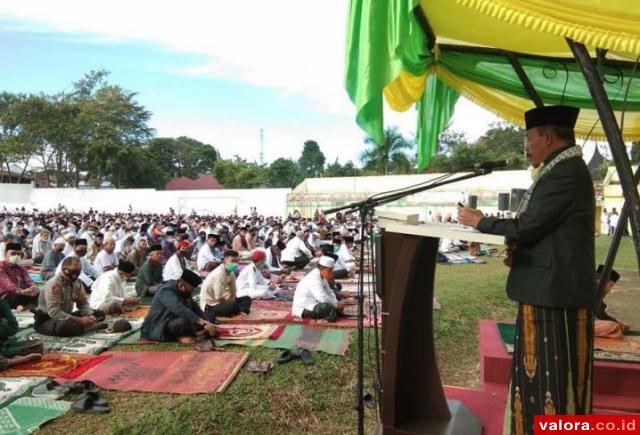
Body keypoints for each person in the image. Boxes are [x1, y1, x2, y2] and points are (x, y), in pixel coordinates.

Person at [458, 105, 595, 433]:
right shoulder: (559, 169)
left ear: (547, 137)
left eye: (529, 138)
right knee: (542, 376)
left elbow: (530, 226)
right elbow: (545, 230)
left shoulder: (566, 173)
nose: (526, 146)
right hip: (549, 289)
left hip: (555, 294)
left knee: (552, 377)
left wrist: (481, 221)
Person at [34, 257, 107, 337]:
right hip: (49, 319)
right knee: (64, 326)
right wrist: (80, 320)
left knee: (99, 314)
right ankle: (87, 328)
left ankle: (85, 324)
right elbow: (54, 312)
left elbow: (82, 302)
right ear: (64, 269)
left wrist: (89, 314)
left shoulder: (77, 282)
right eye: (74, 270)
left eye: (78, 270)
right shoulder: (54, 285)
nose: (76, 273)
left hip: (67, 315)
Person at [141, 270, 216, 344]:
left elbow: (195, 307)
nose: (191, 293)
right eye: (191, 290)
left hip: (173, 320)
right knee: (182, 322)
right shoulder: (166, 290)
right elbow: (179, 308)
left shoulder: (184, 291)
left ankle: (194, 333)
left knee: (209, 317)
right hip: (159, 326)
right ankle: (184, 336)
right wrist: (203, 323)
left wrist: (207, 322)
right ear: (182, 285)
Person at [200, 250, 252, 318]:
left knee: (246, 298)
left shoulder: (231, 272)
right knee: (233, 306)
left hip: (221, 301)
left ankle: (241, 311)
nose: (235, 264)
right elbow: (218, 298)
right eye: (232, 261)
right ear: (225, 261)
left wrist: (233, 301)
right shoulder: (219, 274)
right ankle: (239, 311)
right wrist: (231, 304)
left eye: (237, 261)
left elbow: (233, 291)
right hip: (210, 306)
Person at [292, 256, 343, 321]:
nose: (331, 273)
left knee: (334, 304)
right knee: (326, 307)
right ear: (321, 269)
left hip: (315, 303)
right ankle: (332, 315)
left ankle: (334, 313)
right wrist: (335, 305)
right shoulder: (313, 278)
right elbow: (322, 297)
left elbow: (329, 292)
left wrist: (336, 303)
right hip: (304, 308)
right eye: (329, 271)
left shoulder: (321, 276)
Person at [0, 297, 43, 369]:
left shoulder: (1, 303)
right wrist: (3, 324)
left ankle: (7, 357)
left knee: (37, 345)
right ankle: (15, 361)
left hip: (4, 345)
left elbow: (13, 327)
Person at [0, 243, 39, 310]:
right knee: (15, 294)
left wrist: (33, 287)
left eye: (18, 254)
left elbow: (28, 280)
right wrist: (21, 291)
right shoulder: (1, 267)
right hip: (5, 296)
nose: (16, 256)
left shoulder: (21, 269)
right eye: (13, 253)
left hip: (20, 293)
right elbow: (7, 284)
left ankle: (23, 307)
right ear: (5, 254)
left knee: (36, 291)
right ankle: (22, 307)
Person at [593, 265, 628, 338]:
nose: (609, 291)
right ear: (604, 282)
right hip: (578, 325)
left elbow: (601, 314)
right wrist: (617, 323)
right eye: (611, 286)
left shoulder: (594, 288)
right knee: (613, 327)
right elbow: (601, 315)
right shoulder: (595, 290)